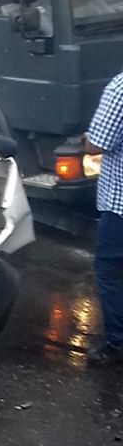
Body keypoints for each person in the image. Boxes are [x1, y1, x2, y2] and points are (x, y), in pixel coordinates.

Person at [86, 69, 123, 365]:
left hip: (120, 207)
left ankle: (118, 343)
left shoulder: (120, 87)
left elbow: (96, 144)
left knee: (110, 270)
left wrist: (87, 137)